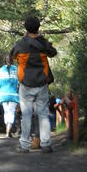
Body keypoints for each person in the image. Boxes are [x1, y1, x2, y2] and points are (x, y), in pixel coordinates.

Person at [11, 15, 57, 154]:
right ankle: (46, 144)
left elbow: (13, 56)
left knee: (26, 115)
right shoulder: (43, 44)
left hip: (25, 84)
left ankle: (24, 146)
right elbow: (53, 53)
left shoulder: (20, 44)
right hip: (42, 83)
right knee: (43, 114)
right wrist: (41, 39)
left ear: (25, 28)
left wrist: (27, 38)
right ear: (38, 28)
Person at [0, 54, 19, 137]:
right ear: (12, 60)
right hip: (13, 94)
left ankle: (7, 130)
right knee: (11, 112)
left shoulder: (1, 70)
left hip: (3, 94)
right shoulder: (16, 69)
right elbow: (19, 82)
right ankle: (8, 130)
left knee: (6, 112)